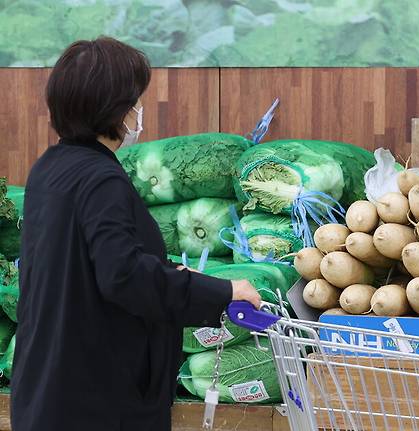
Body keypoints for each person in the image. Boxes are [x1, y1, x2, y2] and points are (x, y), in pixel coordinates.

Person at [10, 37, 261, 431]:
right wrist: (224, 293)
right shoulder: (100, 179)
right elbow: (123, 276)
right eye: (133, 101)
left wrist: (178, 277)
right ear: (114, 109)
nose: (137, 112)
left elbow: (87, 268)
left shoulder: (50, 169)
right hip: (95, 403)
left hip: (49, 390)